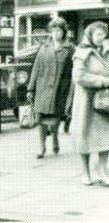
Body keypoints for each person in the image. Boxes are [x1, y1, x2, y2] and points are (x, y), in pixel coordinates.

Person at [26, 17, 75, 158]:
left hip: (60, 90)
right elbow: (36, 68)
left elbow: (74, 70)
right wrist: (30, 88)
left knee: (55, 118)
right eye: (53, 30)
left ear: (64, 32)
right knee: (40, 119)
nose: (56, 33)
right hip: (42, 89)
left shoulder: (70, 49)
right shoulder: (44, 47)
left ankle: (55, 137)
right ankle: (41, 147)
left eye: (59, 30)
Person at [71, 21, 109, 186]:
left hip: (104, 101)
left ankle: (102, 172)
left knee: (105, 138)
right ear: (90, 35)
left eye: (103, 34)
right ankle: (85, 173)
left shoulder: (106, 51)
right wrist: (103, 81)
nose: (102, 38)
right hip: (86, 102)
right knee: (84, 137)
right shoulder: (82, 52)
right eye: (98, 34)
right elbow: (78, 77)